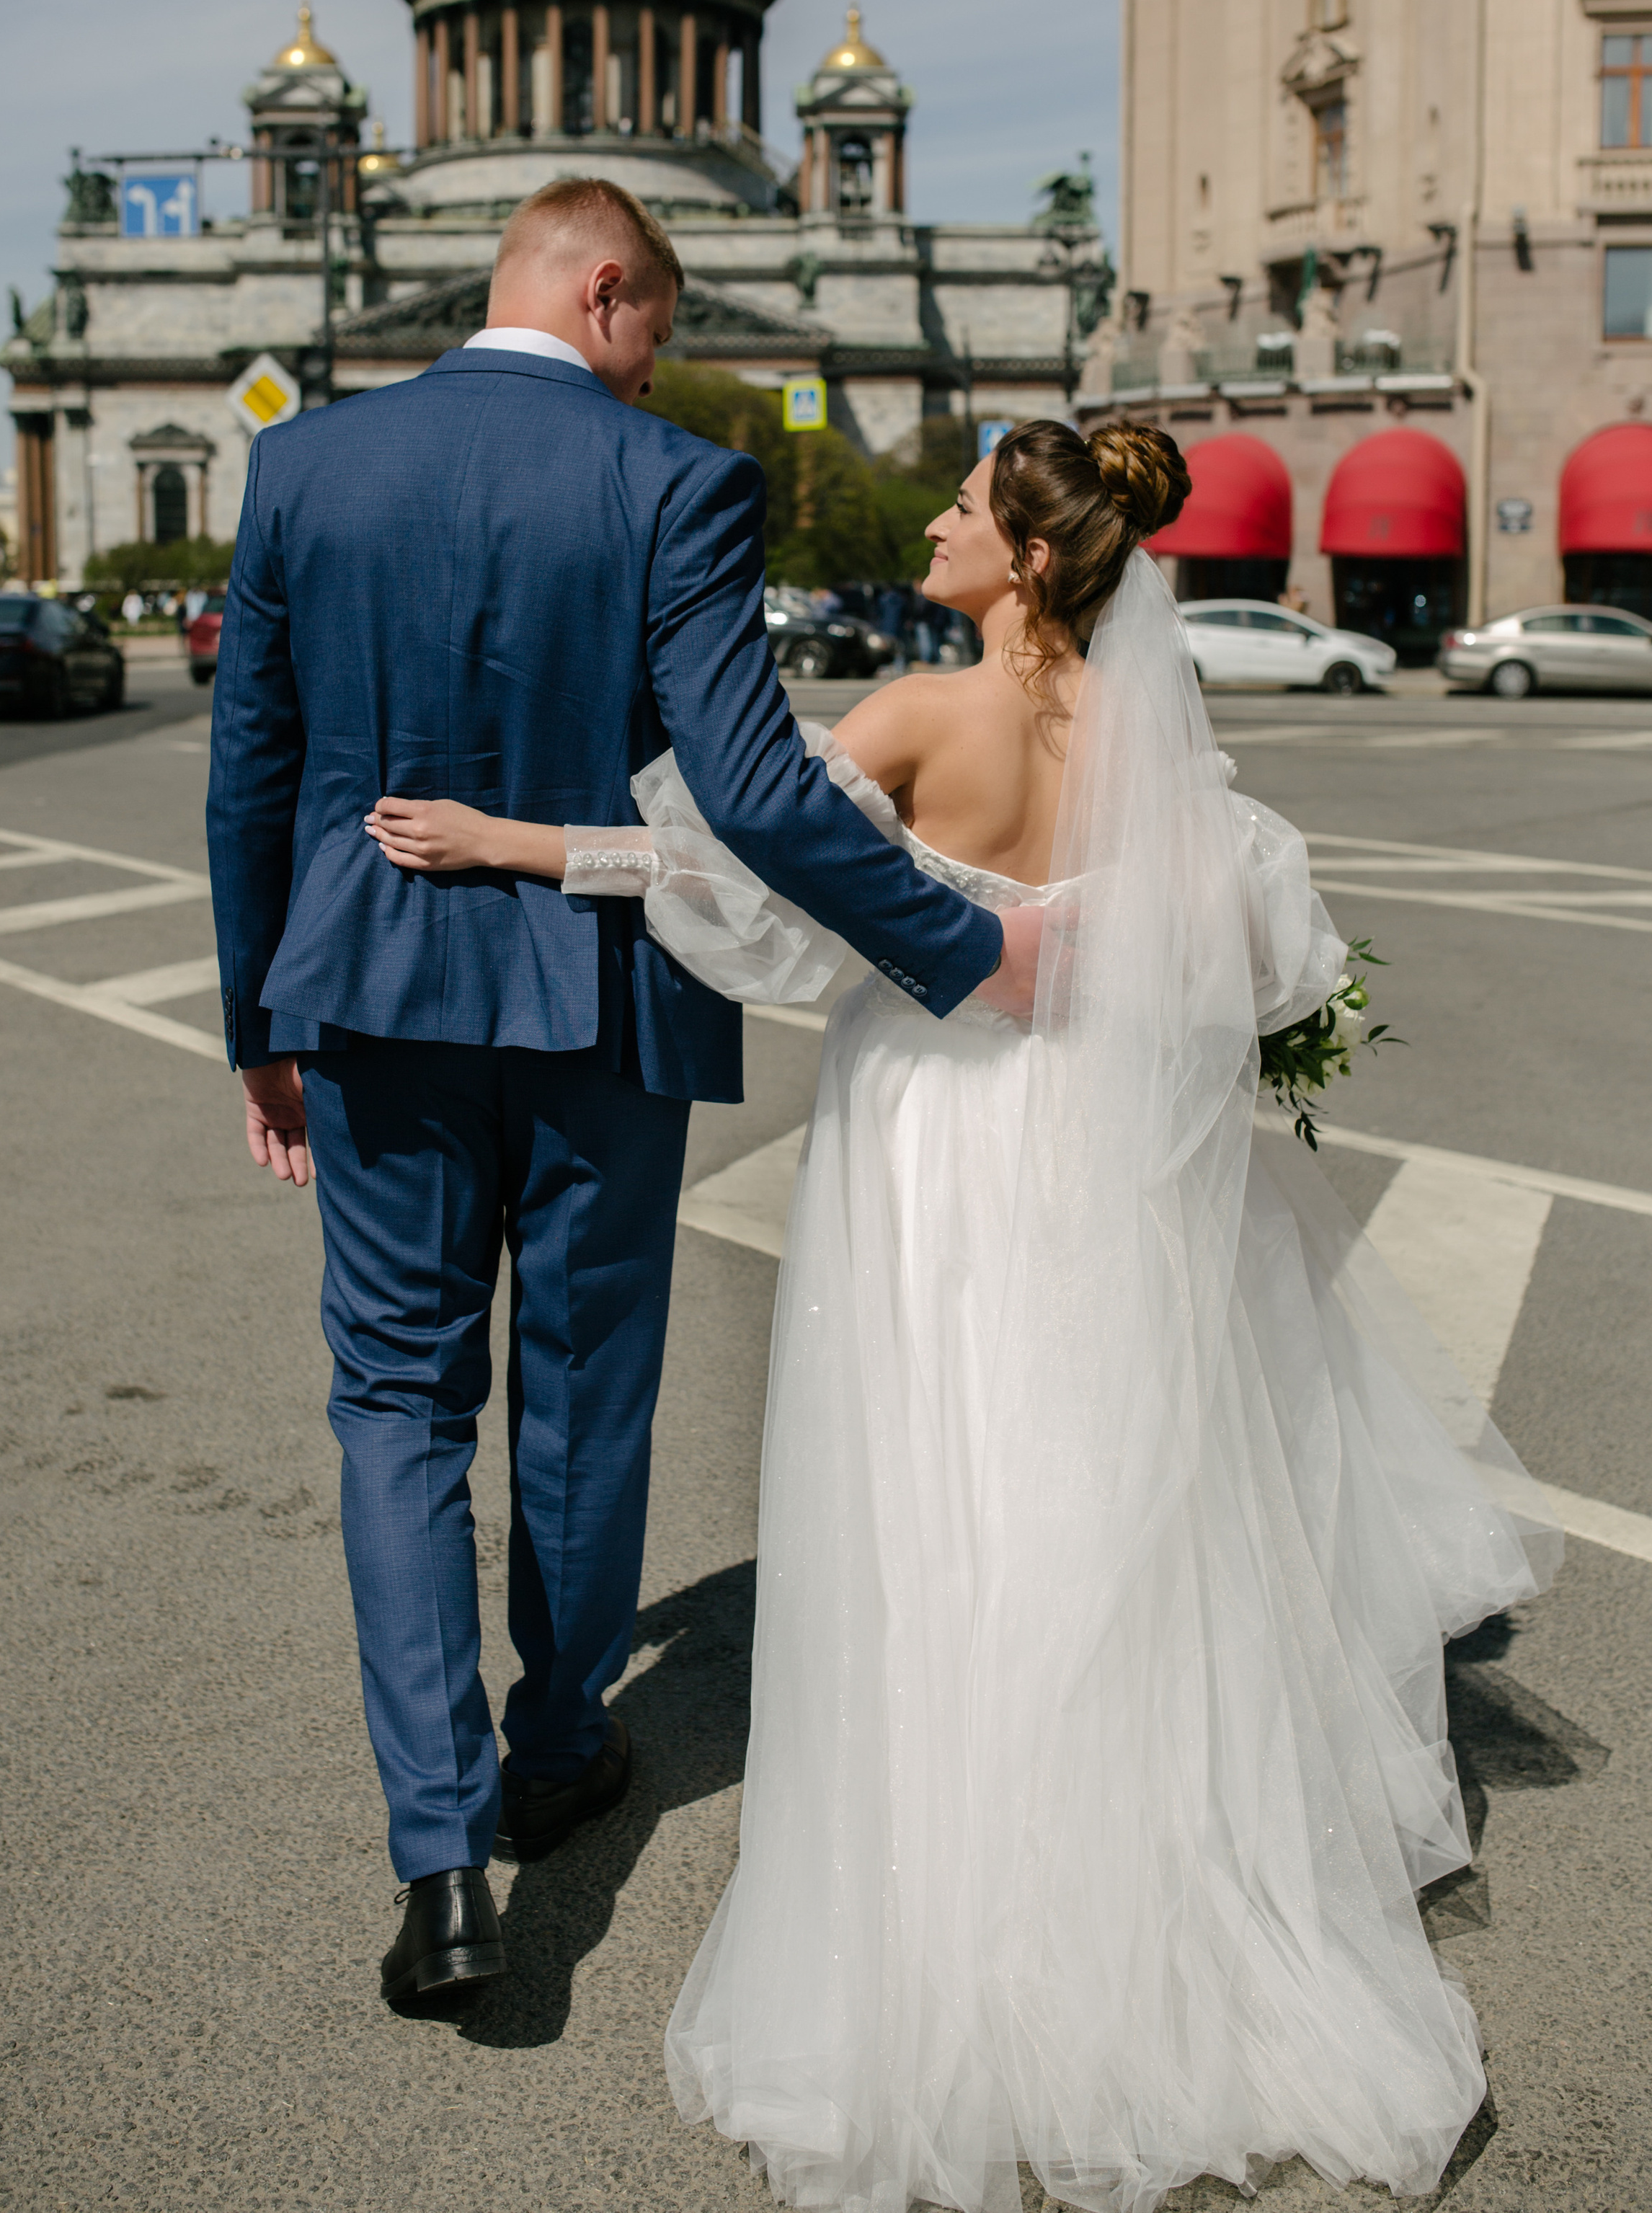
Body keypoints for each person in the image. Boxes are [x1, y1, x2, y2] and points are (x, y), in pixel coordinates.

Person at [368, 420, 1560, 2211]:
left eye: (960, 508)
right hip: (1094, 1156)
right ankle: (1135, 1889)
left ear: (1020, 557)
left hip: (936, 1146)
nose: (929, 523)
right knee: (1102, 1500)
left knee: (936, 1507)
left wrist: (518, 845)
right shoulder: (1156, 751)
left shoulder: (927, 714)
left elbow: (735, 873)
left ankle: (957, 1900)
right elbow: (1273, 964)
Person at [203, 176, 1042, 2012]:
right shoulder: (667, 483)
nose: (654, 375)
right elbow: (748, 792)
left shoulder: (306, 469)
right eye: (655, 332)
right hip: (599, 1016)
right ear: (603, 290)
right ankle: (559, 1740)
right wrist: (959, 947)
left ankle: (438, 1859)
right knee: (582, 1400)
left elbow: (250, 768)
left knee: (393, 1405)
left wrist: (253, 1014)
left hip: (365, 1004)